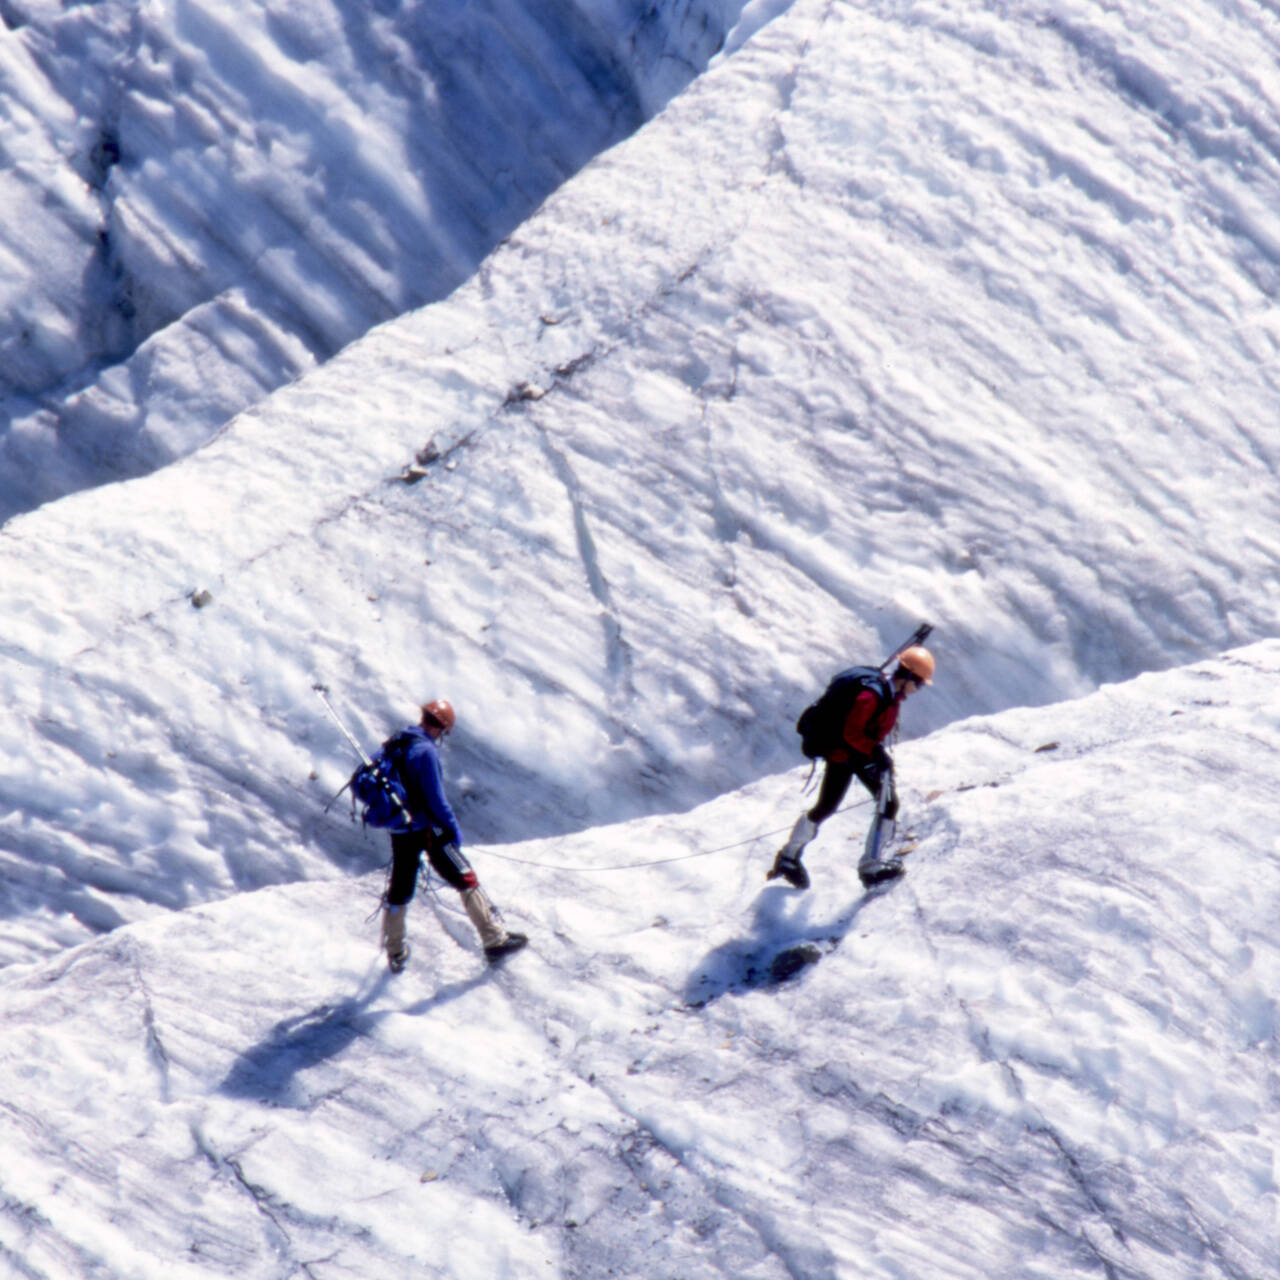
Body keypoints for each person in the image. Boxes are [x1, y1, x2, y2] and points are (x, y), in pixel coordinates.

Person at [767, 645, 935, 890]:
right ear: (908, 677)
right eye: (918, 684)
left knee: (826, 806)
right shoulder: (873, 696)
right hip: (852, 753)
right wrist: (876, 754)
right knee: (887, 802)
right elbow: (852, 732)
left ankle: (788, 857)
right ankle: (871, 867)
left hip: (843, 754)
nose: (917, 690)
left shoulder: (886, 693)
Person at [379, 699, 528, 971]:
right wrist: (453, 830)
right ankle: (494, 940)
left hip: (400, 829)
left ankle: (395, 951)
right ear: (443, 729)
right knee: (465, 876)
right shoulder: (426, 751)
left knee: (399, 890)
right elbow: (436, 800)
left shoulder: (397, 742)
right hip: (427, 829)